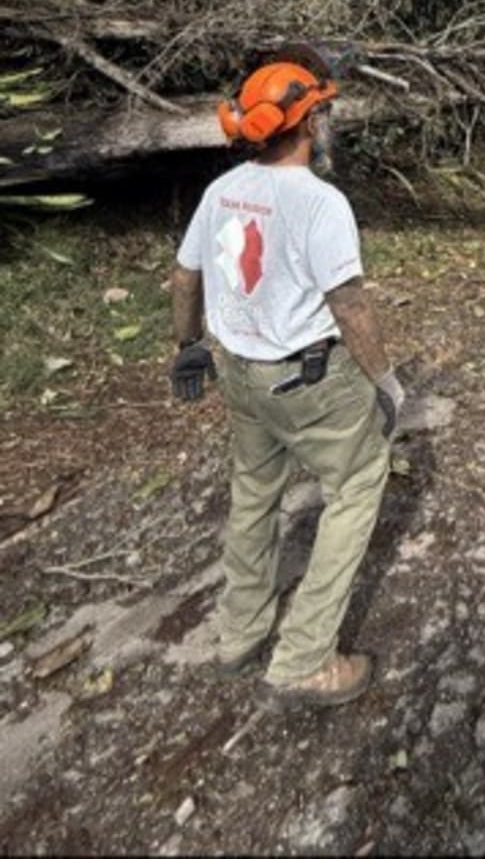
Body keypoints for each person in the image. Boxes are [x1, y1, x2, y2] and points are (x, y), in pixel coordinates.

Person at [170, 60, 405, 707]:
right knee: (358, 480)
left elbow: (185, 276)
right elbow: (350, 305)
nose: (327, 122)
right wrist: (385, 381)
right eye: (322, 112)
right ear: (308, 121)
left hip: (239, 373)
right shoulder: (321, 202)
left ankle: (239, 634)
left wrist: (188, 345)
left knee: (253, 495)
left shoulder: (222, 191)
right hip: (306, 378)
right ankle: (304, 657)